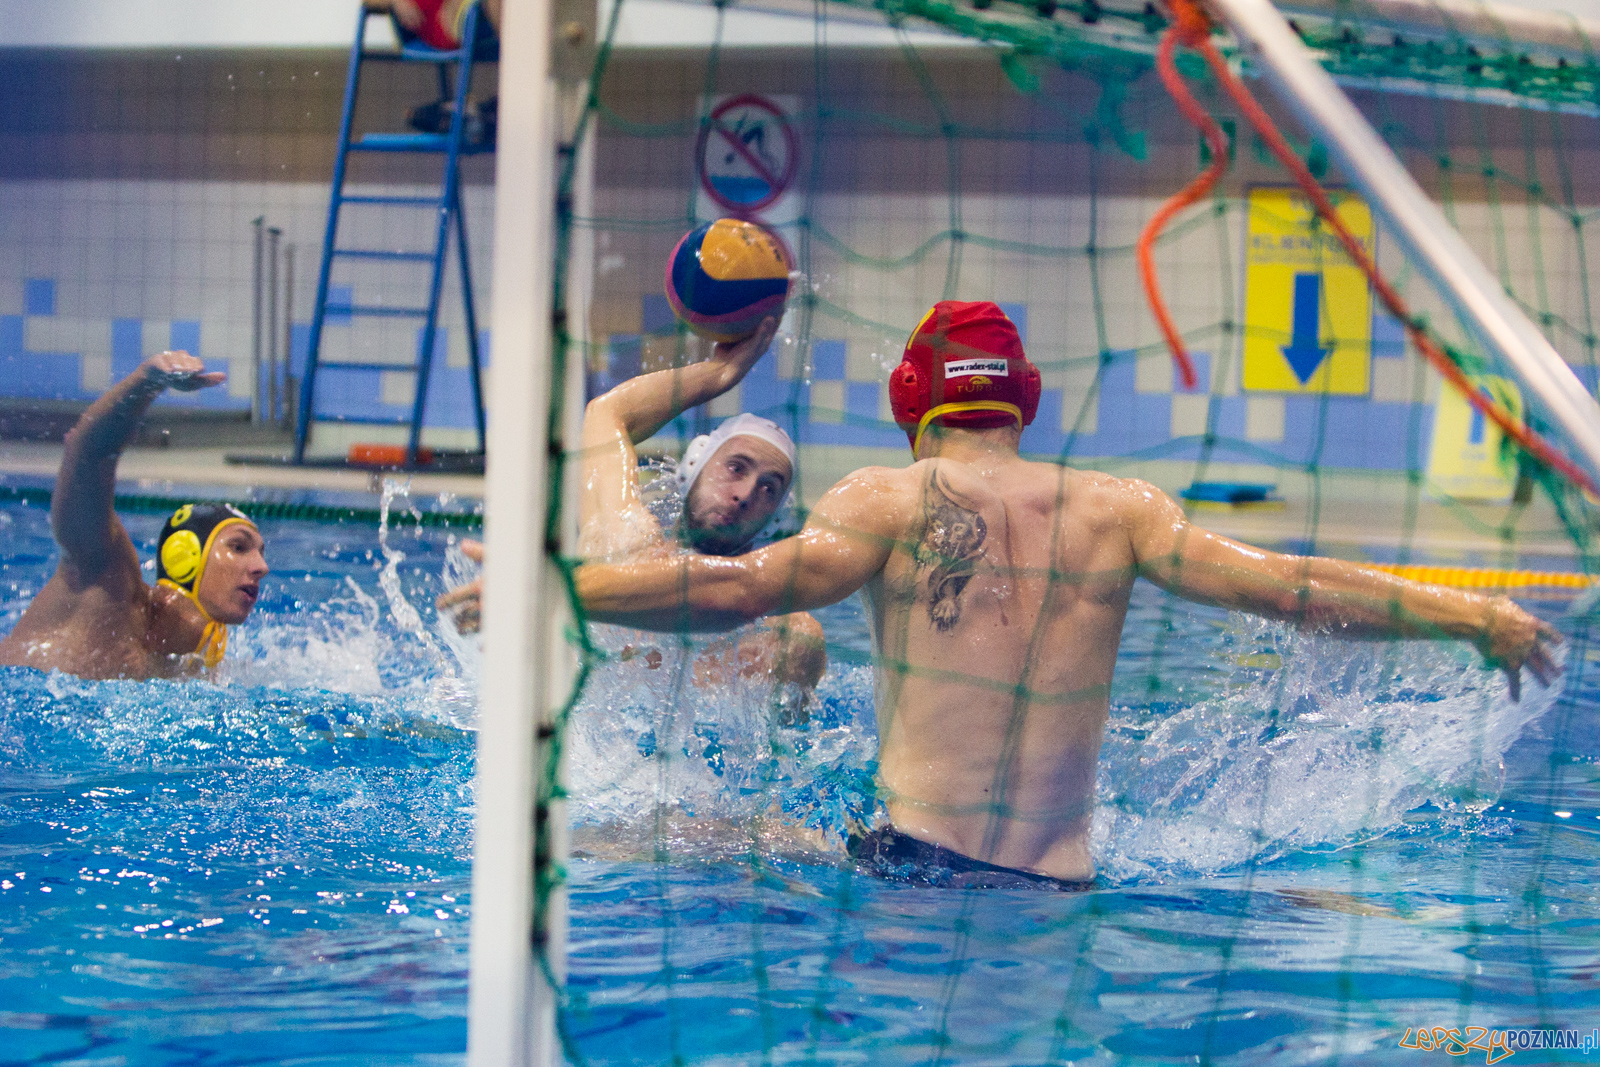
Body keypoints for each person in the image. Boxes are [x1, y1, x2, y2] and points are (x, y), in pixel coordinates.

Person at [572, 300, 1562, 890]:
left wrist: (565, 590)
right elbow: (1296, 590)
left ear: (912, 402)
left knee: (644, 832)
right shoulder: (1120, 509)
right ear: (1023, 397)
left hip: (912, 879)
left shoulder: (885, 496)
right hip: (1064, 889)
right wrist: (1474, 614)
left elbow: (738, 589)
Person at [439, 317, 826, 693]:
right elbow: (607, 413)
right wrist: (719, 373)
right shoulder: (625, 540)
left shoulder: (773, 633)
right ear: (693, 466)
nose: (744, 494)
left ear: (776, 517)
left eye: (768, 489)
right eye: (735, 467)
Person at [0, 351, 268, 681]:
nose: (261, 567)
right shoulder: (107, 580)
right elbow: (88, 456)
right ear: (184, 555)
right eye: (239, 547)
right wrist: (147, 384)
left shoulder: (194, 662)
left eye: (259, 552)